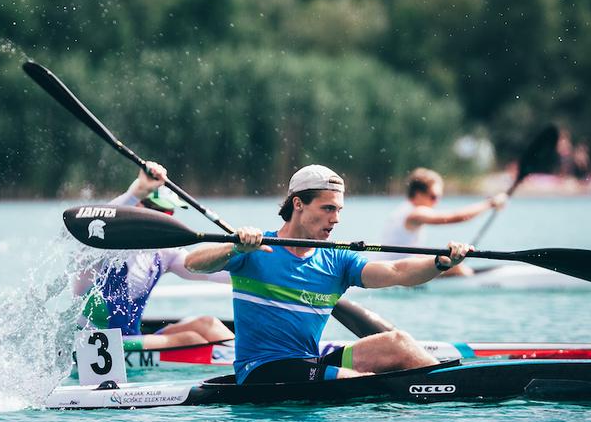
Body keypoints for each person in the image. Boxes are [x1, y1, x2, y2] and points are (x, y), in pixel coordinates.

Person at [185, 164, 471, 385]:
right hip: (262, 370)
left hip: (308, 362)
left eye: (338, 209)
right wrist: (234, 248)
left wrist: (439, 263)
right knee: (363, 383)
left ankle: (452, 384)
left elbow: (397, 271)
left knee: (398, 343)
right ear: (298, 204)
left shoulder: (337, 260)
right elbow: (193, 263)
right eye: (328, 208)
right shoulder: (256, 251)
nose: (336, 219)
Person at [73, 162, 234, 350]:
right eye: (161, 212)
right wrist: (136, 193)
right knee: (190, 340)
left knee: (207, 324)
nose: (166, 220)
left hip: (132, 339)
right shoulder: (102, 249)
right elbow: (94, 222)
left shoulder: (164, 254)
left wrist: (251, 261)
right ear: (137, 207)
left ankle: (245, 366)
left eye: (169, 213)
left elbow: (213, 272)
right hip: (92, 346)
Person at [380, 167, 506, 276]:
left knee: (448, 262)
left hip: (396, 265)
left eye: (439, 197)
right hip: (395, 271)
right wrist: (490, 203)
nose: (437, 202)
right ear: (418, 194)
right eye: (434, 197)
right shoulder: (415, 213)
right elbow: (455, 217)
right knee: (455, 266)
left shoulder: (404, 209)